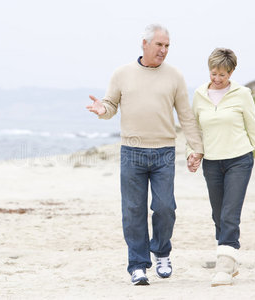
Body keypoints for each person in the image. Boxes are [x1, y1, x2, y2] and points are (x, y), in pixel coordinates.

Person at [86, 24, 204, 285]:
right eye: (159, 45)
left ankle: (162, 252)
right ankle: (138, 265)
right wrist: (101, 110)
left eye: (167, 46)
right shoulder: (122, 74)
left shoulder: (175, 76)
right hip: (132, 152)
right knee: (133, 211)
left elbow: (185, 115)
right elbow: (110, 106)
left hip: (164, 153)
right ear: (145, 44)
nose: (163, 50)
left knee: (165, 208)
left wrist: (196, 148)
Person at [186, 48, 255, 287]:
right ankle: (230, 258)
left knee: (229, 214)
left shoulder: (242, 94)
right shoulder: (199, 94)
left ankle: (224, 268)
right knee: (218, 215)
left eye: (222, 75)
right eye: (213, 73)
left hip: (239, 160)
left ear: (232, 72)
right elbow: (194, 130)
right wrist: (192, 154)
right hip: (212, 163)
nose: (217, 79)